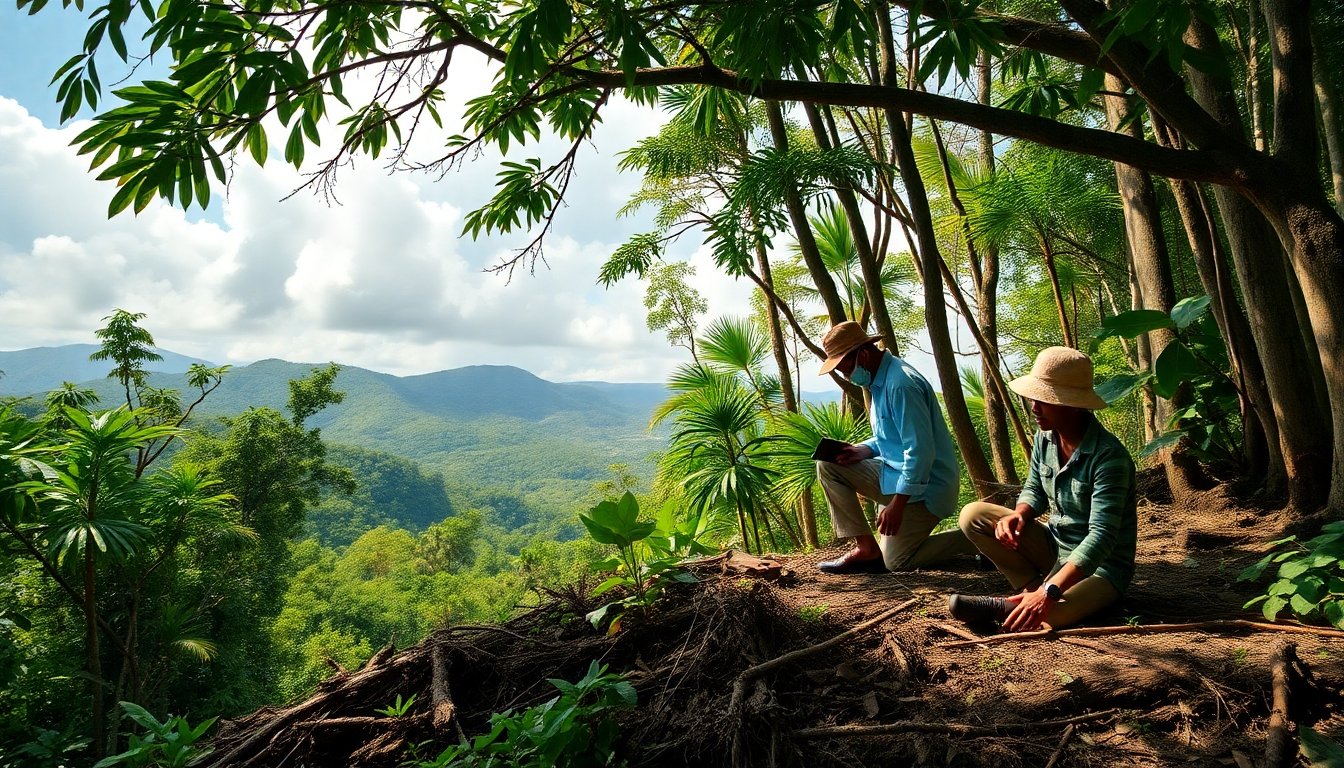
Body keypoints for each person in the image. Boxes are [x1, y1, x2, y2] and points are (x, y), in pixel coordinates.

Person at [951, 346, 1137, 632]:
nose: (1034, 407)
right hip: (1055, 547)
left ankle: (1021, 603)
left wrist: (1050, 592)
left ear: (1073, 404)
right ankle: (1030, 591)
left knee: (1050, 618)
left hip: (1101, 568)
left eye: (1044, 400)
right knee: (973, 515)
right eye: (1034, 398)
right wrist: (1021, 514)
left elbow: (1101, 538)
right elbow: (1034, 487)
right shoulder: (1045, 437)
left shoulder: (1109, 458)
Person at [814, 321, 976, 574]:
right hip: (895, 475)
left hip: (927, 489)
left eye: (846, 369)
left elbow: (920, 452)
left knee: (897, 562)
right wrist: (863, 450)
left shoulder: (901, 385)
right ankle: (866, 549)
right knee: (829, 464)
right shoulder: (879, 382)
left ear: (863, 355)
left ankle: (973, 538)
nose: (847, 376)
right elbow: (890, 438)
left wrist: (897, 505)